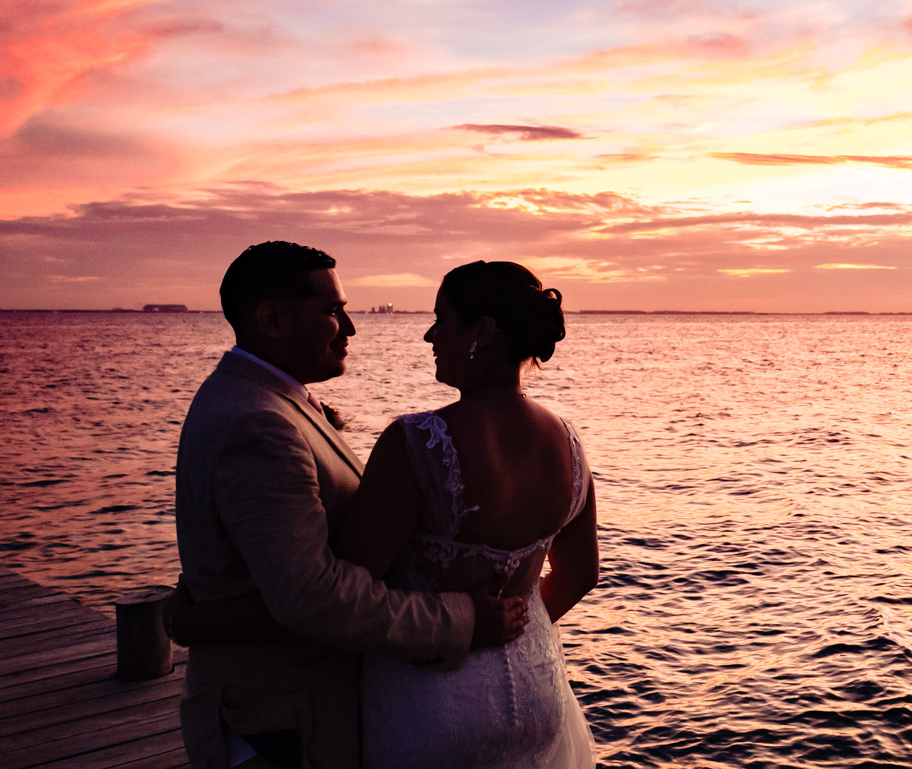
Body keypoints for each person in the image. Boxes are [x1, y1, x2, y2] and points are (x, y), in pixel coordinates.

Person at [174, 242, 528, 769]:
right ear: (272, 320)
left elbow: (249, 558)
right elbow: (309, 595)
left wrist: (185, 614)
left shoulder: (257, 401)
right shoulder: (259, 423)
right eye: (333, 311)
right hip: (280, 722)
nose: (351, 327)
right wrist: (460, 619)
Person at [346, 259, 598, 768]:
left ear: (482, 331)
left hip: (431, 702)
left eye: (442, 320)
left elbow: (348, 584)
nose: (429, 335)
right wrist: (517, 624)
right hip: (536, 693)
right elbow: (581, 576)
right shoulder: (567, 442)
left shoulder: (417, 442)